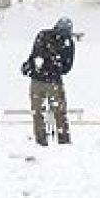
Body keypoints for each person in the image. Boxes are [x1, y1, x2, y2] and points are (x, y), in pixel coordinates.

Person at [21, 16, 77, 145]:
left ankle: (42, 140)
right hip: (52, 82)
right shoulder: (65, 42)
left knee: (39, 112)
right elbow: (65, 67)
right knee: (58, 113)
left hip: (39, 80)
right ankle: (61, 140)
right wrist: (52, 65)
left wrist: (35, 66)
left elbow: (35, 55)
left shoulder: (43, 35)